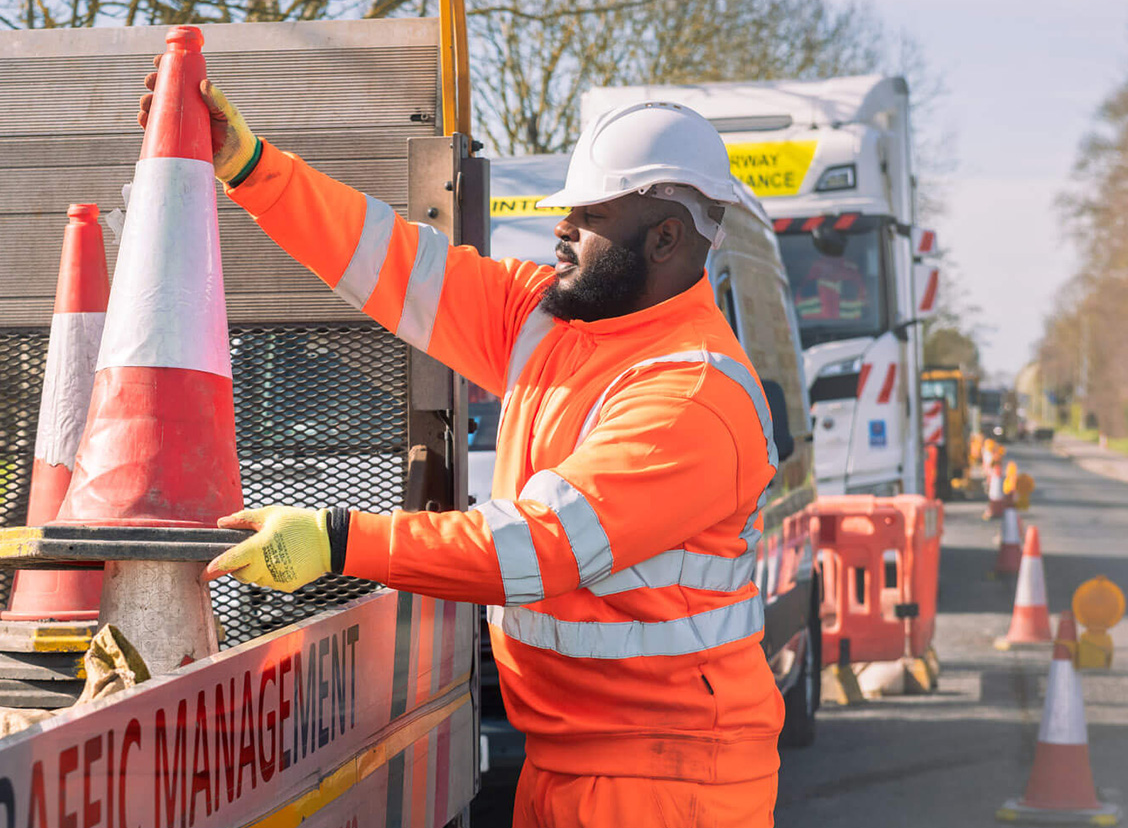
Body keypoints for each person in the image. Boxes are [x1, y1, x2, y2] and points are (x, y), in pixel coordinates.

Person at [139, 72, 783, 826]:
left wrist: (338, 540)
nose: (562, 228)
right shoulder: (556, 322)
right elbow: (393, 264)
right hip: (578, 760)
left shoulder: (694, 394)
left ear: (666, 238)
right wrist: (254, 168)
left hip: (668, 783)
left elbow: (537, 546)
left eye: (590, 215)